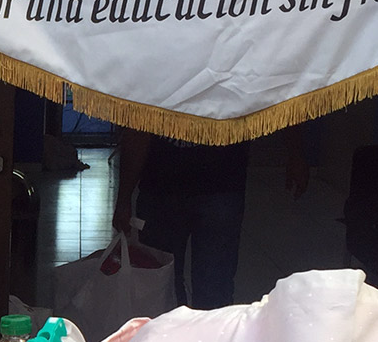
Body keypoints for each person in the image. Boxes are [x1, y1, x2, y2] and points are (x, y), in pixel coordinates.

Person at [111, 128, 308, 309]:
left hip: (193, 187)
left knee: (168, 286)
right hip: (197, 187)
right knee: (196, 287)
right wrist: (296, 153)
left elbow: (137, 130)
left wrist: (124, 197)